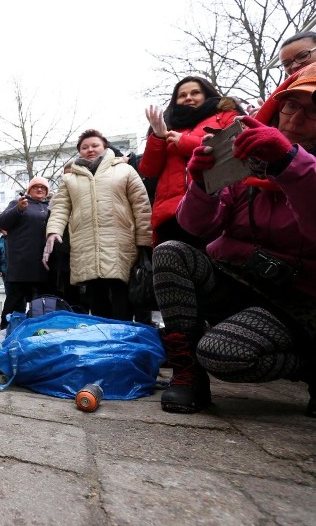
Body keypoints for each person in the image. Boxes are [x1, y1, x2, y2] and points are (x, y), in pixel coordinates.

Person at [153, 63, 316, 416]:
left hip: (299, 302)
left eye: (313, 110)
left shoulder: (289, 161)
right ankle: (188, 374)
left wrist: (289, 162)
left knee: (223, 354)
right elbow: (197, 226)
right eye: (291, 105)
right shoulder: (249, 157)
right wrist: (202, 183)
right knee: (171, 252)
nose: (296, 117)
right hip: (241, 282)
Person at [43, 130, 152, 321]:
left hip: (120, 243)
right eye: (84, 147)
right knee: (96, 294)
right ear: (79, 152)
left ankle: (122, 339)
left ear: (105, 147)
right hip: (86, 245)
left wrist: (145, 241)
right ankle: (103, 341)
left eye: (95, 145)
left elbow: (141, 205)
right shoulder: (70, 178)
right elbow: (60, 207)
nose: (90, 150)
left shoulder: (124, 170)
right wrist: (53, 232)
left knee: (121, 293)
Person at [140, 77, 244, 247]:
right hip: (171, 215)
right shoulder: (167, 126)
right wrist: (158, 136)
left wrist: (185, 142)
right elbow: (148, 170)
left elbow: (234, 148)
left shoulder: (226, 116)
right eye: (182, 95)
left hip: (219, 208)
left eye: (195, 92)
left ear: (207, 94)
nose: (188, 97)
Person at [0, 177, 51, 328]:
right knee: (15, 300)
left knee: (41, 303)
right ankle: (6, 332)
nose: (39, 190)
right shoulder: (18, 203)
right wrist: (18, 209)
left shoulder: (50, 207)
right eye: (35, 187)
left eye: (43, 188)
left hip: (43, 264)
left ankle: (37, 333)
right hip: (21, 262)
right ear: (29, 189)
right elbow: (2, 222)